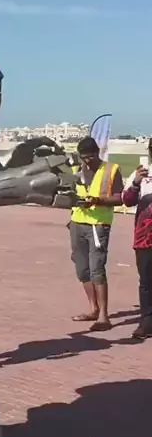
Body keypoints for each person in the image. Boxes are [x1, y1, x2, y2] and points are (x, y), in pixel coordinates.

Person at [69, 136, 124, 331]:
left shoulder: (111, 170)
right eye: (83, 157)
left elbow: (120, 198)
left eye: (90, 157)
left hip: (98, 224)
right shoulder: (76, 170)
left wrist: (97, 201)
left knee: (97, 269)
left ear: (97, 152)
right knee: (82, 269)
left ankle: (103, 316)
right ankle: (93, 309)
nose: (87, 161)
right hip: (77, 222)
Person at [122, 158, 152, 340]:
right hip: (145, 236)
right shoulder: (140, 173)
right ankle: (146, 322)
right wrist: (135, 183)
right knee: (146, 281)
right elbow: (127, 201)